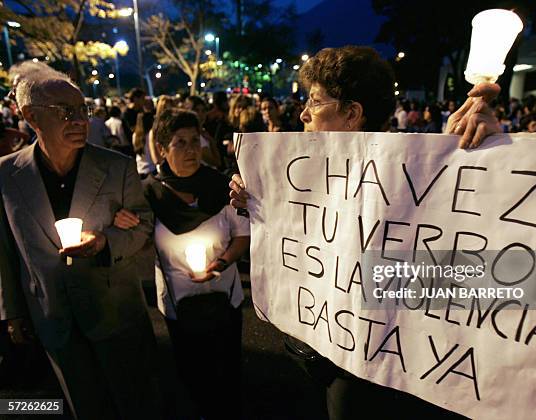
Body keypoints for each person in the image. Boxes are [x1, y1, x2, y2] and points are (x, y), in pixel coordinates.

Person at [228, 45, 500, 419]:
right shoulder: (300, 168)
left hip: (364, 362)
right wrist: (255, 202)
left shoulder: (415, 172)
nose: (304, 113)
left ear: (352, 113)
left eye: (315, 102)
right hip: (306, 341)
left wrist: (484, 157)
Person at [0, 65, 160, 419]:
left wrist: (106, 241)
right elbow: (6, 251)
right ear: (31, 116)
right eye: (64, 111)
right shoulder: (6, 175)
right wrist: (12, 313)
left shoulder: (116, 167)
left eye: (82, 110)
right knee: (83, 405)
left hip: (114, 310)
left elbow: (143, 224)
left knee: (136, 401)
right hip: (52, 314)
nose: (79, 120)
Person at [114, 109, 250, 419]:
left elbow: (242, 236)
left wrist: (222, 263)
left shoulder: (223, 187)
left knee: (227, 371)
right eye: (180, 142)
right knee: (192, 373)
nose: (191, 149)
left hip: (224, 297)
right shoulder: (148, 193)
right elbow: (141, 241)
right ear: (162, 149)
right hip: (178, 305)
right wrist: (126, 222)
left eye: (195, 140)